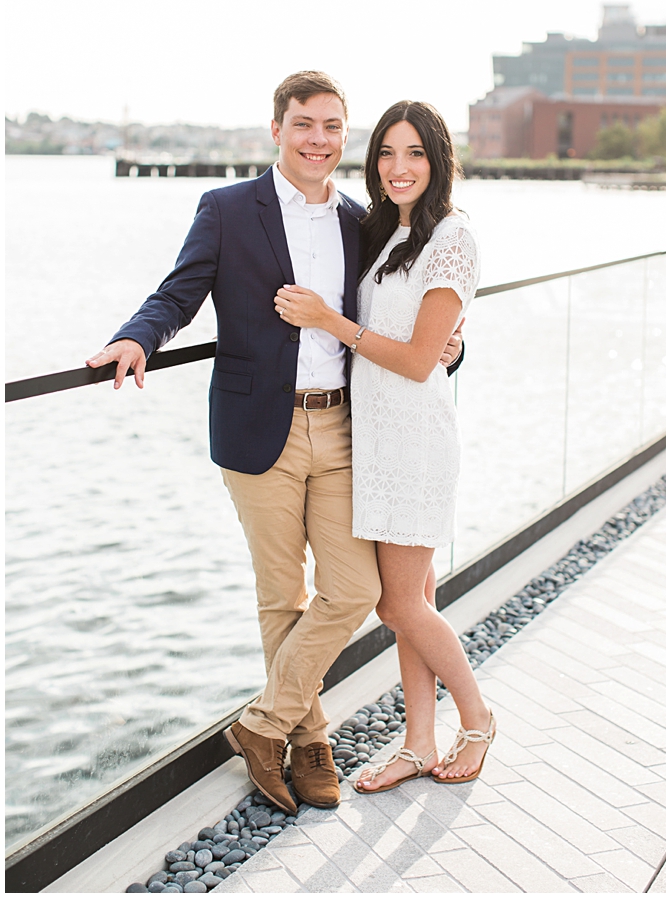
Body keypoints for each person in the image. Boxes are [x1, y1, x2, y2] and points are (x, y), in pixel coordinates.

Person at [85, 72, 465, 813]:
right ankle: (309, 739)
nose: (317, 140)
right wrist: (134, 339)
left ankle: (263, 724)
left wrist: (452, 345)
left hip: (347, 425)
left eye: (330, 127)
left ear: (343, 135)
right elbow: (179, 292)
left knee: (356, 589)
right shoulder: (228, 209)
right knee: (280, 592)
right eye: (303, 125)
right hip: (259, 425)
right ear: (277, 130)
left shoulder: (364, 221)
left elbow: (404, 314)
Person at [273, 100, 495, 793]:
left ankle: (480, 719)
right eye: (388, 154)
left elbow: (421, 357)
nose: (399, 168)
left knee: (397, 606)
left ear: (439, 161)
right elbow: (420, 339)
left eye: (415, 155)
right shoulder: (385, 231)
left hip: (416, 445)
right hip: (374, 440)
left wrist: (327, 320)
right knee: (413, 598)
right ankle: (417, 743)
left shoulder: (453, 237)